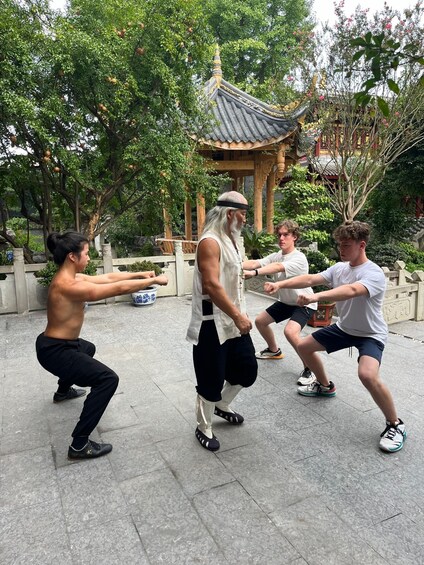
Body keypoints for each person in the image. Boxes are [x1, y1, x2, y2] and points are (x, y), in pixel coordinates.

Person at [264, 220, 406, 453]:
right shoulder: (340, 268)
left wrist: (315, 297)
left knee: (367, 375)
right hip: (344, 328)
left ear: (361, 245)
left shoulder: (373, 273)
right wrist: (280, 285)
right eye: (340, 244)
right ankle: (325, 386)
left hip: (370, 334)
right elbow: (310, 279)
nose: (341, 249)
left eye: (346, 245)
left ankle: (395, 424)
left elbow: (352, 291)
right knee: (304, 346)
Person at [36, 231, 168, 460]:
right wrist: (153, 281)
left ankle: (62, 391)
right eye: (86, 253)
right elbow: (113, 290)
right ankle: (79, 444)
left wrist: (140, 274)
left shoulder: (73, 277)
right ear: (72, 256)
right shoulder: (66, 285)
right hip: (54, 351)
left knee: (87, 348)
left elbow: (107, 279)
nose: (89, 257)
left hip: (60, 344)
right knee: (107, 379)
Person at [186, 191, 258, 451]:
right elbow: (211, 285)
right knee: (210, 377)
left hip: (235, 320)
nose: (245, 219)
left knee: (247, 370)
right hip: (211, 321)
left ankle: (221, 404)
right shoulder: (210, 242)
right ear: (229, 214)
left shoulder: (232, 240)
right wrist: (238, 316)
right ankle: (203, 425)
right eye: (243, 214)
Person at [242, 220, 317, 386]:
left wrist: (254, 273)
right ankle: (274, 350)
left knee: (290, 332)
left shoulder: (299, 258)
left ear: (294, 237)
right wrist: (231, 264)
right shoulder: (277, 255)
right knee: (260, 321)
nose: (281, 238)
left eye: (286, 235)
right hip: (286, 302)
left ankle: (310, 368)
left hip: (303, 303)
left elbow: (277, 267)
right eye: (279, 235)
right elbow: (255, 262)